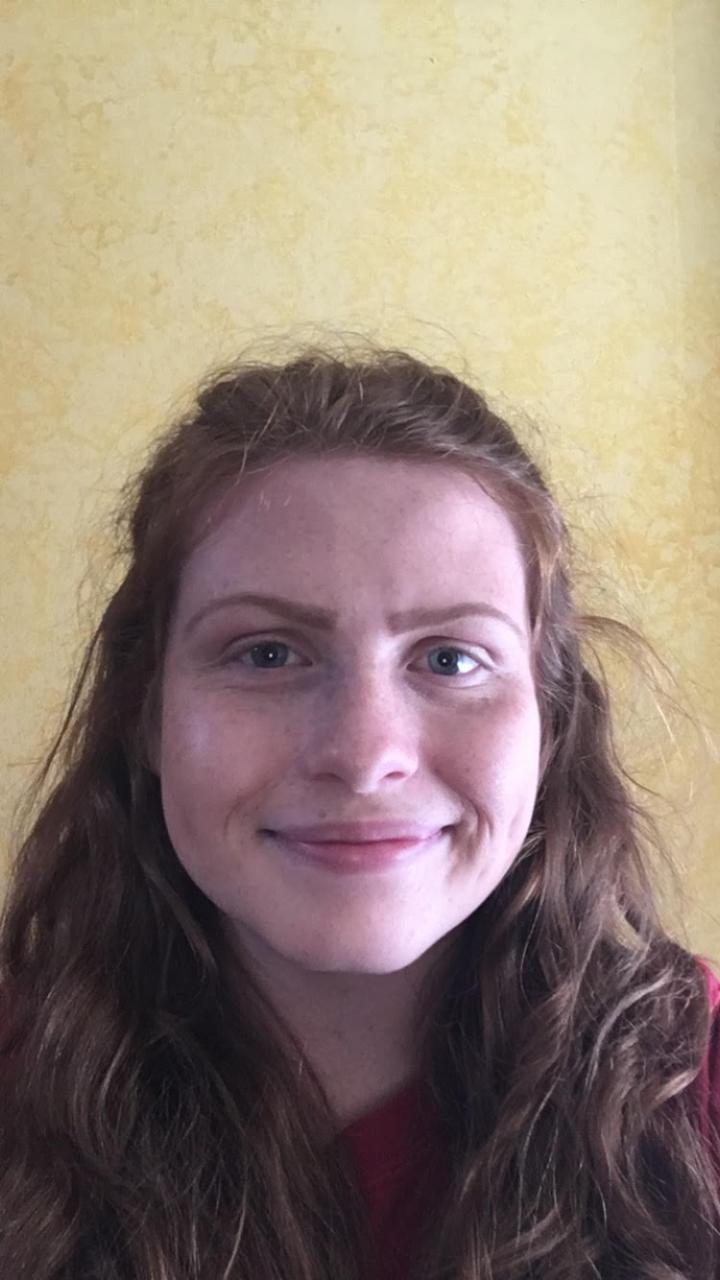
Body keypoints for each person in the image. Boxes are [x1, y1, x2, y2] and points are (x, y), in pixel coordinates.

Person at [0, 346, 718, 1280]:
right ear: (147, 713)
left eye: (450, 658)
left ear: (550, 724)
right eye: (266, 653)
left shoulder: (693, 1079)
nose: (365, 754)